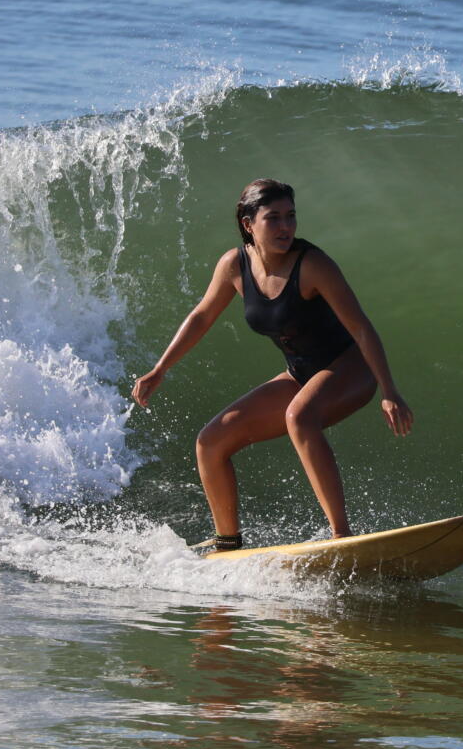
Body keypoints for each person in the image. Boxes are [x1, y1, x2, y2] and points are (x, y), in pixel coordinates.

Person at [131, 178, 413, 551]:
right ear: (249, 224)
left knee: (299, 416)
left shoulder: (312, 264)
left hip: (350, 368)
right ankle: (227, 542)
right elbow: (202, 316)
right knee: (211, 442)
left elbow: (360, 327)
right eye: (273, 218)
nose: (285, 227)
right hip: (300, 373)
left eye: (291, 216)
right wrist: (161, 368)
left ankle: (343, 537)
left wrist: (389, 391)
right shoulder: (235, 264)